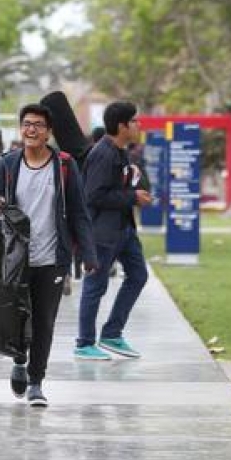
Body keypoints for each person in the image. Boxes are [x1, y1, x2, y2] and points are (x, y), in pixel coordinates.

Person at [0, 103, 96, 407]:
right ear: (20, 128)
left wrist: (88, 254)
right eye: (26, 124)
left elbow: (78, 211)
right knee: (14, 318)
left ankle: (36, 381)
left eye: (38, 124)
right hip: (15, 258)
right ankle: (19, 359)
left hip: (51, 258)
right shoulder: (8, 164)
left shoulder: (64, 165)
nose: (31, 129)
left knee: (44, 322)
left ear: (48, 131)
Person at [75, 101, 152, 361]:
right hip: (103, 231)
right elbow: (93, 196)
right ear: (122, 126)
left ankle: (111, 333)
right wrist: (132, 197)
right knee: (95, 285)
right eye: (135, 121)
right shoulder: (103, 153)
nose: (138, 125)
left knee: (138, 275)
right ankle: (84, 343)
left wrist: (133, 188)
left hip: (124, 229)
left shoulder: (120, 151)